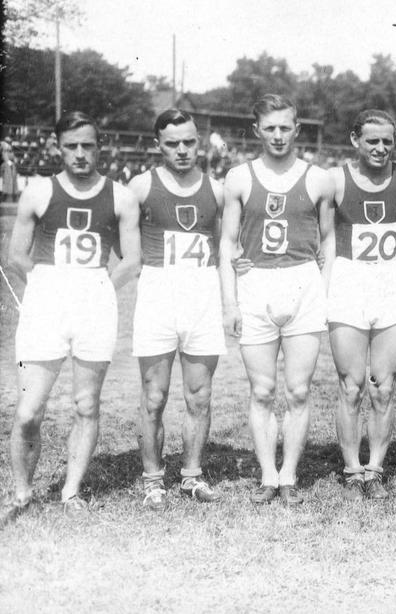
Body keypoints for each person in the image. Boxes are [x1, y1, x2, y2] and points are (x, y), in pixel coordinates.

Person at [2, 111, 141, 525]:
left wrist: (98, 290)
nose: (80, 154)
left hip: (94, 303)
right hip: (47, 302)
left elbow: (132, 259)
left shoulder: (120, 197)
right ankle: (22, 490)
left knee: (86, 404)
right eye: (71, 146)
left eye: (88, 145)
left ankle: (71, 489)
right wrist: (49, 287)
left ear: (100, 147)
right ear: (56, 147)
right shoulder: (39, 193)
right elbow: (15, 255)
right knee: (29, 411)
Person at [219, 94, 334, 507]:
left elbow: (329, 238)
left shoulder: (319, 178)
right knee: (262, 390)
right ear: (257, 131)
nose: (278, 136)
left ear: (297, 129)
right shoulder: (239, 177)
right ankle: (268, 474)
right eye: (270, 128)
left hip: (302, 282)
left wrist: (325, 284)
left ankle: (290, 475)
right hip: (255, 284)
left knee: (299, 390)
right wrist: (229, 304)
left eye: (285, 127)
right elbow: (227, 243)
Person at [128, 109, 226, 510]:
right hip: (157, 292)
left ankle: (192, 476)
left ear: (198, 142)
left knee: (199, 395)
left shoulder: (216, 190)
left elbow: (221, 245)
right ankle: (153, 480)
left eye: (189, 141)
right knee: (155, 395)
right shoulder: (140, 186)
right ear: (158, 145)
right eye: (172, 143)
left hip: (201, 294)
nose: (182, 150)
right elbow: (124, 242)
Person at [326, 110, 396, 501]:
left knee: (383, 386)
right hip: (349, 280)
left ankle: (376, 468)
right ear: (355, 140)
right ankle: (352, 471)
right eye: (372, 141)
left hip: (393, 282)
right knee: (350, 387)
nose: (380, 148)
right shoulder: (335, 179)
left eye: (387, 141)